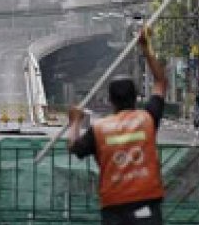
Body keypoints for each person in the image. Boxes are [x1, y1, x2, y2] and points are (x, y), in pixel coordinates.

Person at [67, 28, 167, 225]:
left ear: (110, 100)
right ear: (136, 97)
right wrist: (146, 48)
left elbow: (74, 147)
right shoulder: (147, 119)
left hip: (114, 207)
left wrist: (75, 122)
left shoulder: (99, 129)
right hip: (147, 202)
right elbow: (161, 82)